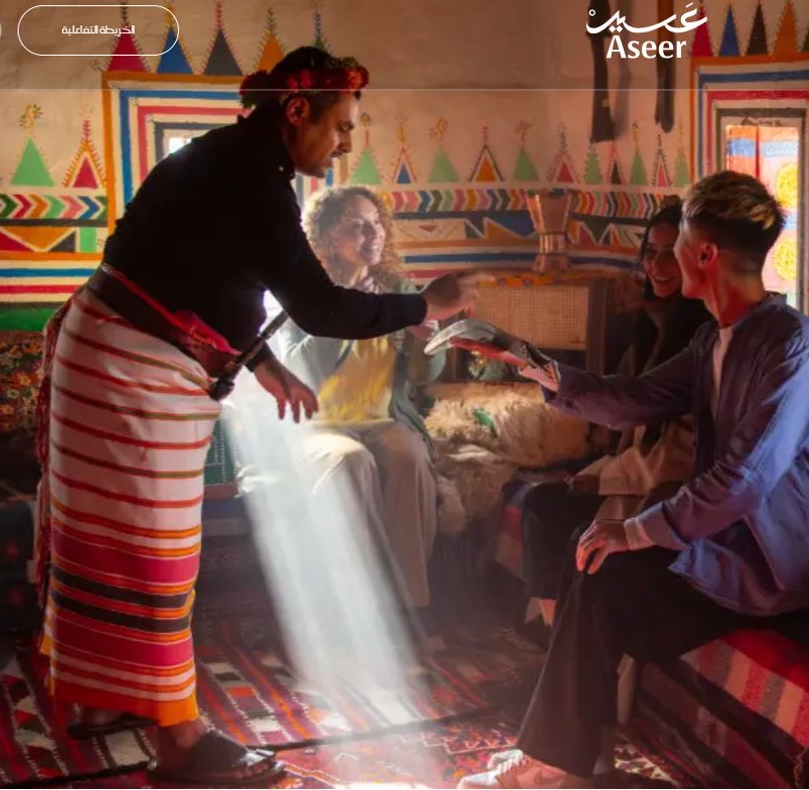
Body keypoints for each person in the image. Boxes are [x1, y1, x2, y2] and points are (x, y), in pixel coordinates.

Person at [31, 46, 482, 787]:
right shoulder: (253, 179)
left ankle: (95, 695)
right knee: (152, 553)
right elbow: (322, 306)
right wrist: (425, 305)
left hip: (115, 354)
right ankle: (179, 740)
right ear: (295, 111)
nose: (345, 143)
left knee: (108, 540)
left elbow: (206, 278)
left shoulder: (235, 162)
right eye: (341, 125)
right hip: (128, 367)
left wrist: (261, 364)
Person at [456, 172, 809, 788]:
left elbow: (746, 480)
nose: (666, 257)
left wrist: (637, 531)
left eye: (676, 245)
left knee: (607, 567)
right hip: (731, 539)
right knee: (591, 553)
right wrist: (532, 364)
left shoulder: (794, 349)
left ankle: (554, 761)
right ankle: (575, 750)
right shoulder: (715, 340)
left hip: (782, 560)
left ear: (703, 255)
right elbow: (635, 399)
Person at [516, 198, 710, 629]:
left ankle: (568, 645)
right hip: (634, 477)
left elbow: (672, 447)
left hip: (666, 492)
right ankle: (556, 640)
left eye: (671, 254)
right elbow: (622, 418)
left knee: (561, 523)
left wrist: (602, 477)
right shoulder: (642, 326)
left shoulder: (705, 338)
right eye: (651, 253)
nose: (659, 266)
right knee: (542, 502)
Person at [284, 185, 446, 618]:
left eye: (375, 224)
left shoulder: (396, 290)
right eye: (356, 226)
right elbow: (295, 372)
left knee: (410, 456)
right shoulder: (304, 293)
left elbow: (424, 378)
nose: (371, 234)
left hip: (384, 420)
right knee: (352, 462)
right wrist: (348, 311)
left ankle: (410, 606)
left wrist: (424, 345)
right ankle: (354, 609)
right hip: (317, 427)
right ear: (326, 237)